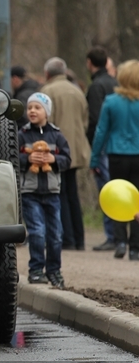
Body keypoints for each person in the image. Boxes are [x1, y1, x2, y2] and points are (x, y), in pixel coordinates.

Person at [19, 93, 71, 289]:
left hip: (52, 192)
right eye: (30, 107)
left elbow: (67, 160)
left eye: (37, 107)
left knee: (56, 234)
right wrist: (26, 160)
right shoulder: (22, 135)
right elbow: (12, 159)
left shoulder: (57, 135)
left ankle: (54, 270)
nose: (32, 110)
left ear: (46, 112)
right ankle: (36, 270)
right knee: (37, 231)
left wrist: (54, 160)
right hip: (29, 192)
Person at [90, 60, 139, 260]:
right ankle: (135, 247)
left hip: (117, 155)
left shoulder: (111, 101)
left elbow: (101, 132)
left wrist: (94, 160)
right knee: (136, 201)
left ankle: (120, 241)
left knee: (119, 197)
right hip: (138, 155)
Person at [40, 57, 90, 251]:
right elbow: (85, 121)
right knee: (72, 194)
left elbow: (45, 123)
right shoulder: (77, 90)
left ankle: (67, 239)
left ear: (47, 74)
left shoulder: (47, 92)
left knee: (60, 193)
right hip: (77, 148)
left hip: (57, 150)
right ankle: (79, 239)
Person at [85, 46, 118, 251]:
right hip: (120, 145)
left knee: (107, 191)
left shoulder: (96, 86)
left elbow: (96, 120)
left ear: (90, 63)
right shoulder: (115, 83)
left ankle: (112, 235)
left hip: (105, 145)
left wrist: (94, 149)